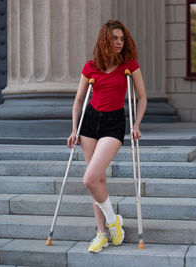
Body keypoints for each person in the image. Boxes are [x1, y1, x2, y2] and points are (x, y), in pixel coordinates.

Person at [67, 20, 147, 253]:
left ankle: (113, 223)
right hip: (89, 123)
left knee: (89, 178)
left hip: (113, 123)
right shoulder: (90, 67)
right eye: (115, 38)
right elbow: (78, 101)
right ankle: (102, 232)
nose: (119, 42)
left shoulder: (129, 66)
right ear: (105, 40)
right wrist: (74, 129)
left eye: (122, 38)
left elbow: (142, 97)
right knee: (98, 181)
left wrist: (137, 123)